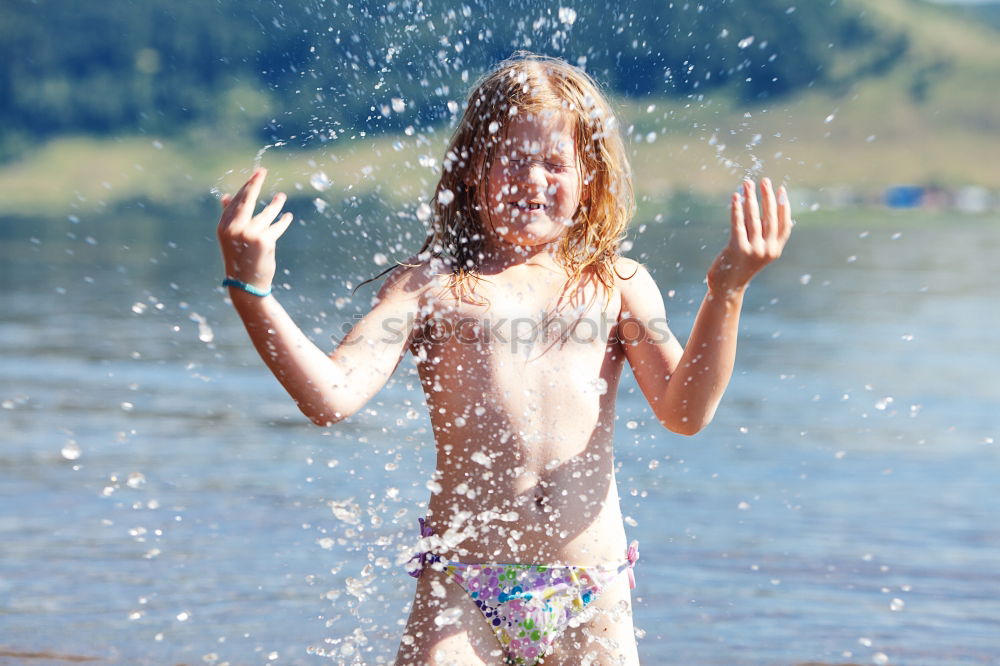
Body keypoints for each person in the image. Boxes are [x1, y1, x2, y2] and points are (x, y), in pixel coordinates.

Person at [216, 52, 792, 666]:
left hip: (589, 588)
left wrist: (725, 292)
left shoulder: (617, 285)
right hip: (464, 585)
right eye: (512, 160)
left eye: (554, 163)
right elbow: (330, 396)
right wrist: (253, 292)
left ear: (589, 177)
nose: (533, 179)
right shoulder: (429, 287)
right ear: (471, 170)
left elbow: (686, 411)